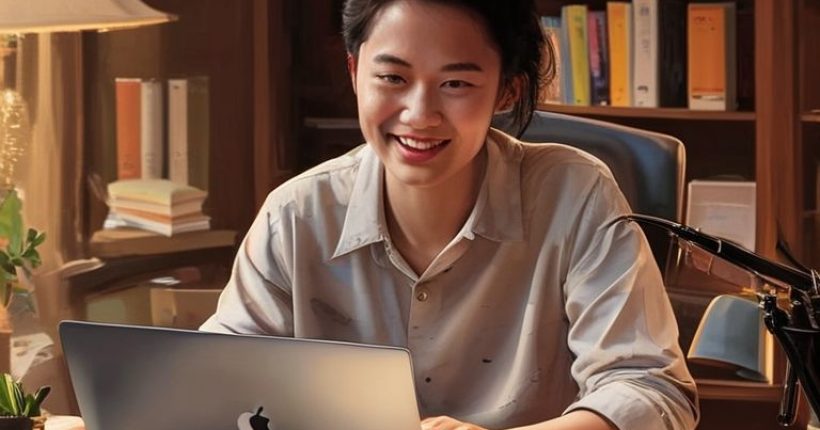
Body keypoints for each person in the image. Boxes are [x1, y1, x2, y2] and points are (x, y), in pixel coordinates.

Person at [200, 0, 699, 429]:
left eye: (456, 83)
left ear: (507, 91)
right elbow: (214, 386)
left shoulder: (575, 195)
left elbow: (650, 389)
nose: (420, 114)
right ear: (355, 74)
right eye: (393, 77)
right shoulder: (295, 215)